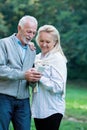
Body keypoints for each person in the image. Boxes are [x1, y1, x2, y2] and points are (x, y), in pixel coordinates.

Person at [0, 15, 42, 130]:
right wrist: (23, 75)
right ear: (19, 28)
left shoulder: (31, 50)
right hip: (3, 98)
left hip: (23, 101)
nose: (31, 36)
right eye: (28, 31)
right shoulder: (3, 44)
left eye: (34, 33)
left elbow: (29, 76)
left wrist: (34, 79)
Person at [31, 25, 67, 130]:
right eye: (41, 41)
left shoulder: (57, 59)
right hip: (39, 108)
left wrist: (40, 77)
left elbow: (59, 87)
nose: (44, 44)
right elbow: (33, 83)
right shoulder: (36, 58)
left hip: (52, 109)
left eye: (48, 42)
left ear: (55, 42)